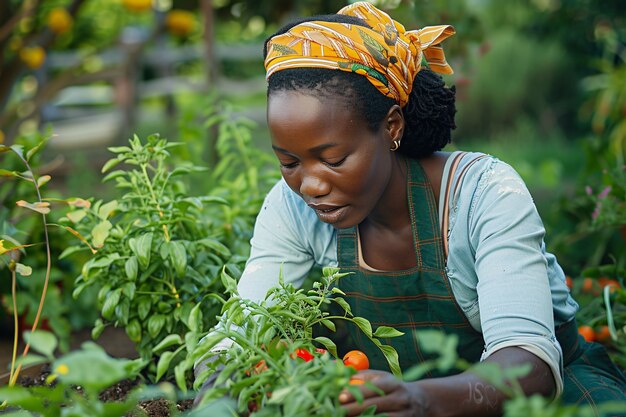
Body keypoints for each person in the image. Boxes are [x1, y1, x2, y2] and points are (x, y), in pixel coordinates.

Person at [196, 2, 626, 415]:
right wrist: (217, 396)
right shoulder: (292, 209)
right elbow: (239, 336)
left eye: (333, 159)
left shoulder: (482, 194)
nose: (310, 184)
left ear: (391, 127)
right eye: (289, 162)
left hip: (544, 396)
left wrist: (424, 401)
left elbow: (529, 362)